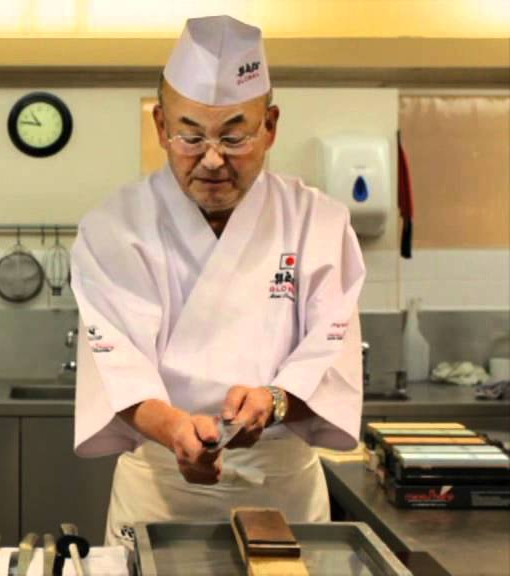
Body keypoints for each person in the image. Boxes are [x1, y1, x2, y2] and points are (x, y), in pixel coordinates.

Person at [69, 15, 366, 547]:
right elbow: (117, 366)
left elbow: (330, 350)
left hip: (284, 494)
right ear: (160, 125)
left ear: (270, 125)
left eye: (235, 135)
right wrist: (176, 430)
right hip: (158, 494)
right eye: (189, 135)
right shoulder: (112, 228)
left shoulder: (319, 222)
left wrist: (274, 401)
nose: (211, 159)